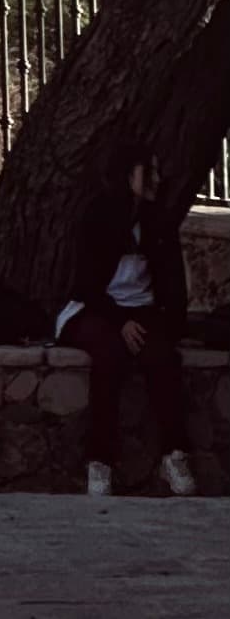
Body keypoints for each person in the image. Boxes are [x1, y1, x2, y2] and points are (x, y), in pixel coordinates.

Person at [58, 146, 197, 498]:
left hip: (142, 311)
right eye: (147, 171)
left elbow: (171, 285)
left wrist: (164, 324)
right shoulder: (97, 216)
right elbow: (87, 284)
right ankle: (99, 461)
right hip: (98, 308)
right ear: (126, 175)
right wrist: (120, 320)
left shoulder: (159, 220)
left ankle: (174, 454)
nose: (156, 179)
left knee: (162, 359)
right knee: (110, 356)